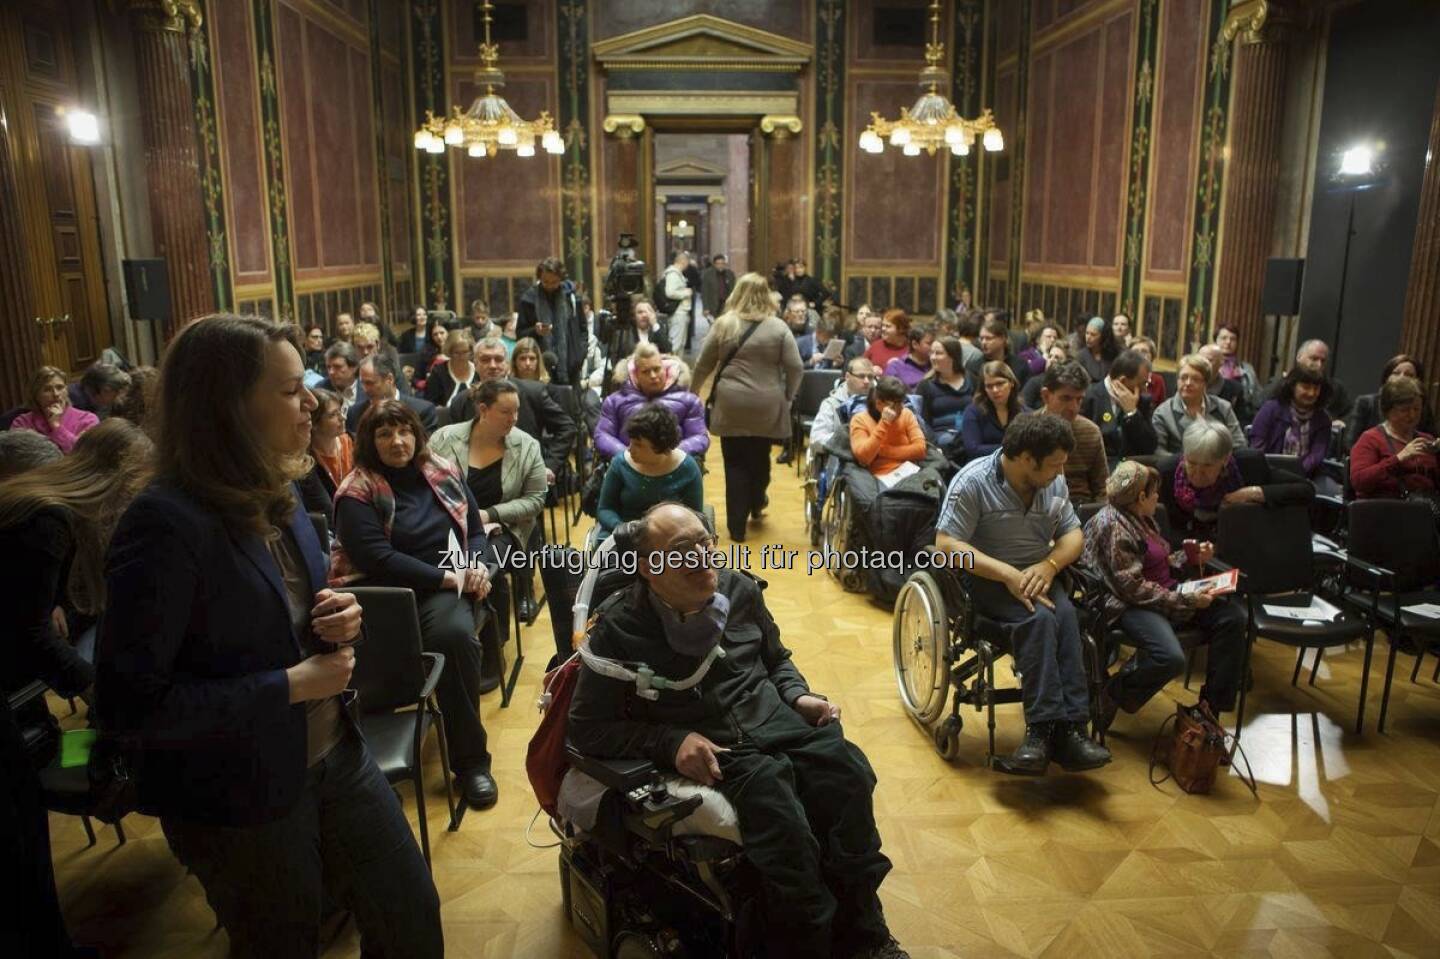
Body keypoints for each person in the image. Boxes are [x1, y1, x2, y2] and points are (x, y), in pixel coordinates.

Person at [96, 316, 443, 957]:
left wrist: (336, 613)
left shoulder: (278, 485)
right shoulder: (163, 523)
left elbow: (282, 609)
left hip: (335, 753)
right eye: (289, 390)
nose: (311, 401)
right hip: (240, 793)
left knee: (411, 912)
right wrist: (287, 685)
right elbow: (128, 705)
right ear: (228, 406)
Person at [568, 503, 905, 959]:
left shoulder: (740, 590)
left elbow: (776, 659)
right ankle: (806, 945)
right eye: (683, 551)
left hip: (775, 719)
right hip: (719, 747)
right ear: (649, 566)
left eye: (706, 544)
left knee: (847, 774)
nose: (703, 559)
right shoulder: (618, 630)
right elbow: (587, 729)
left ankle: (867, 936)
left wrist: (798, 696)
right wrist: (670, 742)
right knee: (787, 835)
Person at [0, 419, 151, 958]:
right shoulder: (50, 518)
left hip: (18, 692)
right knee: (20, 832)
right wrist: (98, 692)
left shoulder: (41, 505)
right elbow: (31, 635)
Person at [331, 399, 498, 811]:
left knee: (454, 637)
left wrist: (475, 566)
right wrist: (449, 576)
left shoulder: (441, 470)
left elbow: (475, 531)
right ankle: (363, 767)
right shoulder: (356, 490)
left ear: (417, 434)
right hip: (381, 592)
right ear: (369, 441)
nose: (397, 440)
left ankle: (471, 763)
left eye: (404, 430)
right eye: (384, 433)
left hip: (444, 586)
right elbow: (376, 559)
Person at [935, 413, 1111, 776]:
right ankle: (1042, 732)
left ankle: (1072, 730)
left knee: (1065, 616)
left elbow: (1073, 536)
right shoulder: (973, 482)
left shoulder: (1054, 483)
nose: (1061, 472)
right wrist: (1006, 574)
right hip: (987, 578)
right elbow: (946, 545)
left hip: (1038, 572)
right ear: (1027, 459)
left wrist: (1049, 565)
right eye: (1055, 464)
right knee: (1039, 619)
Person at [1082, 461, 1245, 732]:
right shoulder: (1113, 526)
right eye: (1154, 492)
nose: (1159, 496)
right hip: (1128, 605)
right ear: (1140, 496)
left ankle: (1209, 711)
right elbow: (1132, 587)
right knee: (1170, 657)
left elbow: (1158, 563)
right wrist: (1186, 600)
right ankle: (1113, 692)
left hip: (1164, 594)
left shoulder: (1141, 516)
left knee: (1232, 619)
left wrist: (1188, 557)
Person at [430, 379, 548, 657]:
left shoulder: (527, 445)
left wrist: (489, 514)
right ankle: (454, 639)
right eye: (506, 412)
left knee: (484, 563)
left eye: (516, 411)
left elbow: (535, 500)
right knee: (445, 564)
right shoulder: (444, 439)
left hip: (505, 529)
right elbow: (425, 485)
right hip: (451, 527)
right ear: (483, 410)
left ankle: (492, 648)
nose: (514, 418)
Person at [691, 272, 803, 542]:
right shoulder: (778, 327)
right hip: (767, 402)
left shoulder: (724, 324)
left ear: (736, 294)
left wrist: (693, 394)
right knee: (760, 456)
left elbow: (703, 364)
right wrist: (788, 395)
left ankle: (737, 527)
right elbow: (796, 366)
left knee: (734, 462)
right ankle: (756, 501)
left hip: (731, 402)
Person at [1160, 419, 1313, 543]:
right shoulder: (1168, 472)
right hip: (1189, 550)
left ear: (1225, 460)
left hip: (1242, 545)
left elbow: (1306, 490)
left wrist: (1253, 492)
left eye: (1207, 465)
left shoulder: (1248, 464)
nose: (1198, 473)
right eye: (1191, 463)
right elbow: (1164, 530)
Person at [447, 336, 576, 477]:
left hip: (525, 476)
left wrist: (549, 466)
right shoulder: (461, 401)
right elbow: (454, 445)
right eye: (485, 360)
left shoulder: (533, 392)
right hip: (476, 480)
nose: (492, 365)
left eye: (498, 359)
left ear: (507, 364)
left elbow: (566, 427)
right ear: (475, 364)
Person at [595, 405, 704, 536]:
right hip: (623, 533)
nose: (630, 449)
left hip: (669, 537)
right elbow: (605, 508)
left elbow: (694, 516)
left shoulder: (687, 468)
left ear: (661, 446)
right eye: (631, 442)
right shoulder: (620, 463)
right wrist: (621, 527)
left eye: (638, 445)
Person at [595, 342, 708, 461]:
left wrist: (671, 455)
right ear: (636, 374)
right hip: (628, 468)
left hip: (674, 469)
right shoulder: (614, 402)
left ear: (664, 368)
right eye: (646, 371)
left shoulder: (689, 401)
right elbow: (602, 435)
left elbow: (700, 437)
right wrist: (627, 456)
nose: (653, 375)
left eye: (657, 369)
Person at [1349, 375, 1439, 501]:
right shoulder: (1370, 439)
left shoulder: (1427, 439)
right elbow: (1359, 482)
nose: (1412, 415)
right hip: (1384, 510)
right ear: (1388, 411)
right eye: (1405, 410)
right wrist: (1398, 458)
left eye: (1417, 409)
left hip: (1424, 509)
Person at [1039, 361, 1108, 505]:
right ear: (1046, 396)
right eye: (1066, 398)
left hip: (1082, 507)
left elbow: (1102, 488)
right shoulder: (1028, 430)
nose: (1074, 408)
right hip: (1040, 507)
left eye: (1079, 400)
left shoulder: (1091, 432)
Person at [1248, 365, 1334, 477]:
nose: (1311, 393)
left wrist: (1297, 472)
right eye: (1306, 387)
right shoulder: (1270, 409)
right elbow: (1257, 446)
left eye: (1316, 388)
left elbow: (1317, 454)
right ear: (1293, 386)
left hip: (1307, 475)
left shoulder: (1322, 419)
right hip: (1268, 471)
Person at [1151, 354, 1244, 454]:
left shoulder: (1223, 407)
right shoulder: (1163, 413)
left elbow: (1239, 443)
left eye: (1195, 379)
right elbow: (1158, 451)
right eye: (1183, 378)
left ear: (1205, 384)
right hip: (1180, 466)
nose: (1188, 383)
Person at [1082, 348, 1158, 462]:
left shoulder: (1143, 401)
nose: (1145, 388)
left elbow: (1150, 446)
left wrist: (1132, 413)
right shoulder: (1089, 397)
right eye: (1142, 383)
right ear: (1122, 381)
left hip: (1134, 469)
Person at [518, 256, 585, 385]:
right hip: (540, 368)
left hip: (571, 368)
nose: (549, 286)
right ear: (539, 279)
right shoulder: (528, 299)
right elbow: (520, 334)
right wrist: (535, 331)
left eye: (554, 282)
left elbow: (582, 329)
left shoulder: (572, 297)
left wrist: (579, 355)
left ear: (561, 279)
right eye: (545, 281)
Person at [1345, 354, 1435, 448]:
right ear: (1387, 377)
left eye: (1409, 375)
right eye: (1396, 373)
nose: (1401, 377)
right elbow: (1350, 444)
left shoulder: (1422, 407)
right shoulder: (1365, 403)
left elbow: (1432, 443)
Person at [849, 375, 927, 477]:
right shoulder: (860, 420)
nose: (901, 408)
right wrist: (884, 423)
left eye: (902, 402)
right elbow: (864, 458)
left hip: (911, 473)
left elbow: (920, 450)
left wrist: (882, 451)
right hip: (879, 478)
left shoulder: (906, 414)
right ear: (879, 404)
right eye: (895, 404)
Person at [9, 366, 99, 453]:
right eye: (47, 389)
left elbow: (83, 454)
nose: (56, 394)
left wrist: (56, 426)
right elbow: (21, 458)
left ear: (66, 390)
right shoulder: (22, 423)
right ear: (36, 395)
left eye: (60, 387)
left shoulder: (88, 419)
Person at [346, 352, 438, 434]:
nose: (365, 389)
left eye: (370, 383)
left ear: (389, 379)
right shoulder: (354, 413)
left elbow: (425, 450)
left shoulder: (422, 411)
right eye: (362, 383)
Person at [302, 388, 354, 528]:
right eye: (333, 415)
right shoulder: (305, 462)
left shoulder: (355, 443)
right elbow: (325, 510)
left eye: (341, 412)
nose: (343, 418)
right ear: (315, 424)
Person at [1262, 338, 1351, 419]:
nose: (1319, 365)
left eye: (1323, 361)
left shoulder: (1336, 388)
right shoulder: (1279, 384)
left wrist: (1340, 422)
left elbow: (1349, 415)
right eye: (1314, 358)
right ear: (1299, 357)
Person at [917, 337, 974, 452]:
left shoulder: (973, 380)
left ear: (953, 356)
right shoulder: (926, 386)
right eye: (931, 353)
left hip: (971, 435)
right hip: (941, 441)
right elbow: (923, 422)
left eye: (938, 353)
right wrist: (934, 446)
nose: (932, 357)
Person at [959, 360, 1021, 463]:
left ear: (1011, 383)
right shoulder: (973, 411)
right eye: (989, 386)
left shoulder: (1023, 412)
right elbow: (972, 449)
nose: (995, 390)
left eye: (1000, 383)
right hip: (981, 467)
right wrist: (1011, 449)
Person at [810, 357, 876, 452]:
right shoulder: (831, 404)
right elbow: (816, 440)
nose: (866, 381)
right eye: (861, 376)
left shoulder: (880, 401)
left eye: (870, 377)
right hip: (841, 457)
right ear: (847, 377)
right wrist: (852, 439)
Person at [970, 314, 1030, 386]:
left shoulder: (1020, 365)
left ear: (1003, 339)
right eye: (981, 338)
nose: (983, 342)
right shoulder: (974, 367)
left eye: (988, 338)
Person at [424, 328, 479, 406]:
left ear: (471, 351)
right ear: (449, 352)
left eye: (465, 352)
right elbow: (430, 403)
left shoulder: (478, 370)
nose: (461, 357)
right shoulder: (438, 372)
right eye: (457, 353)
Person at [607, 296, 673, 359]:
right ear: (634, 316)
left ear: (654, 314)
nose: (644, 315)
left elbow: (668, 351)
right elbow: (615, 358)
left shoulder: (658, 329)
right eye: (640, 312)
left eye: (648, 312)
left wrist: (654, 325)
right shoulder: (624, 333)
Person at [1213, 324, 1259, 413]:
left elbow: (1256, 398)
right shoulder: (1207, 365)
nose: (1228, 342)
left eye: (1233, 339)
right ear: (1215, 341)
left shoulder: (1247, 369)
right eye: (1224, 338)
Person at [659, 249, 694, 357]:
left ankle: (677, 367)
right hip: (678, 312)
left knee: (680, 343)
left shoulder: (677, 274)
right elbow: (670, 292)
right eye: (687, 262)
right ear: (683, 261)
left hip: (680, 311)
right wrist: (686, 292)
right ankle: (672, 368)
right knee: (675, 343)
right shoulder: (673, 274)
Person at [1020, 338, 1070, 410]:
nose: (1052, 360)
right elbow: (1022, 409)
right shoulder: (1034, 382)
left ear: (1067, 363)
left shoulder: (1069, 386)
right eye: (1050, 356)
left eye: (1057, 358)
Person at [881, 324, 933, 391]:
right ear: (915, 344)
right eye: (929, 343)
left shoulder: (939, 365)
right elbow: (889, 394)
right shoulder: (896, 367)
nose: (934, 346)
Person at [318, 341, 362, 420]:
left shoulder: (366, 388)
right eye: (328, 367)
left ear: (354, 368)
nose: (331, 372)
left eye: (337, 367)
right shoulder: (320, 389)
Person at [1072, 316, 1119, 384]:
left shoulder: (1115, 355)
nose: (1088, 337)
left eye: (1093, 335)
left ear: (1103, 336)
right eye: (1087, 333)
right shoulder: (1081, 356)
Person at [1131, 335, 1167, 406]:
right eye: (1135, 351)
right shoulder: (1123, 376)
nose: (1139, 355)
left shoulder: (1158, 380)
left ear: (1152, 356)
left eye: (1144, 351)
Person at [700, 252, 735, 320]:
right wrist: (705, 308)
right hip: (713, 304)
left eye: (722, 263)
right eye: (718, 264)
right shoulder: (708, 274)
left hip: (726, 303)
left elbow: (733, 289)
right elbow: (704, 292)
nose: (720, 266)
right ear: (714, 264)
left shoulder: (730, 274)